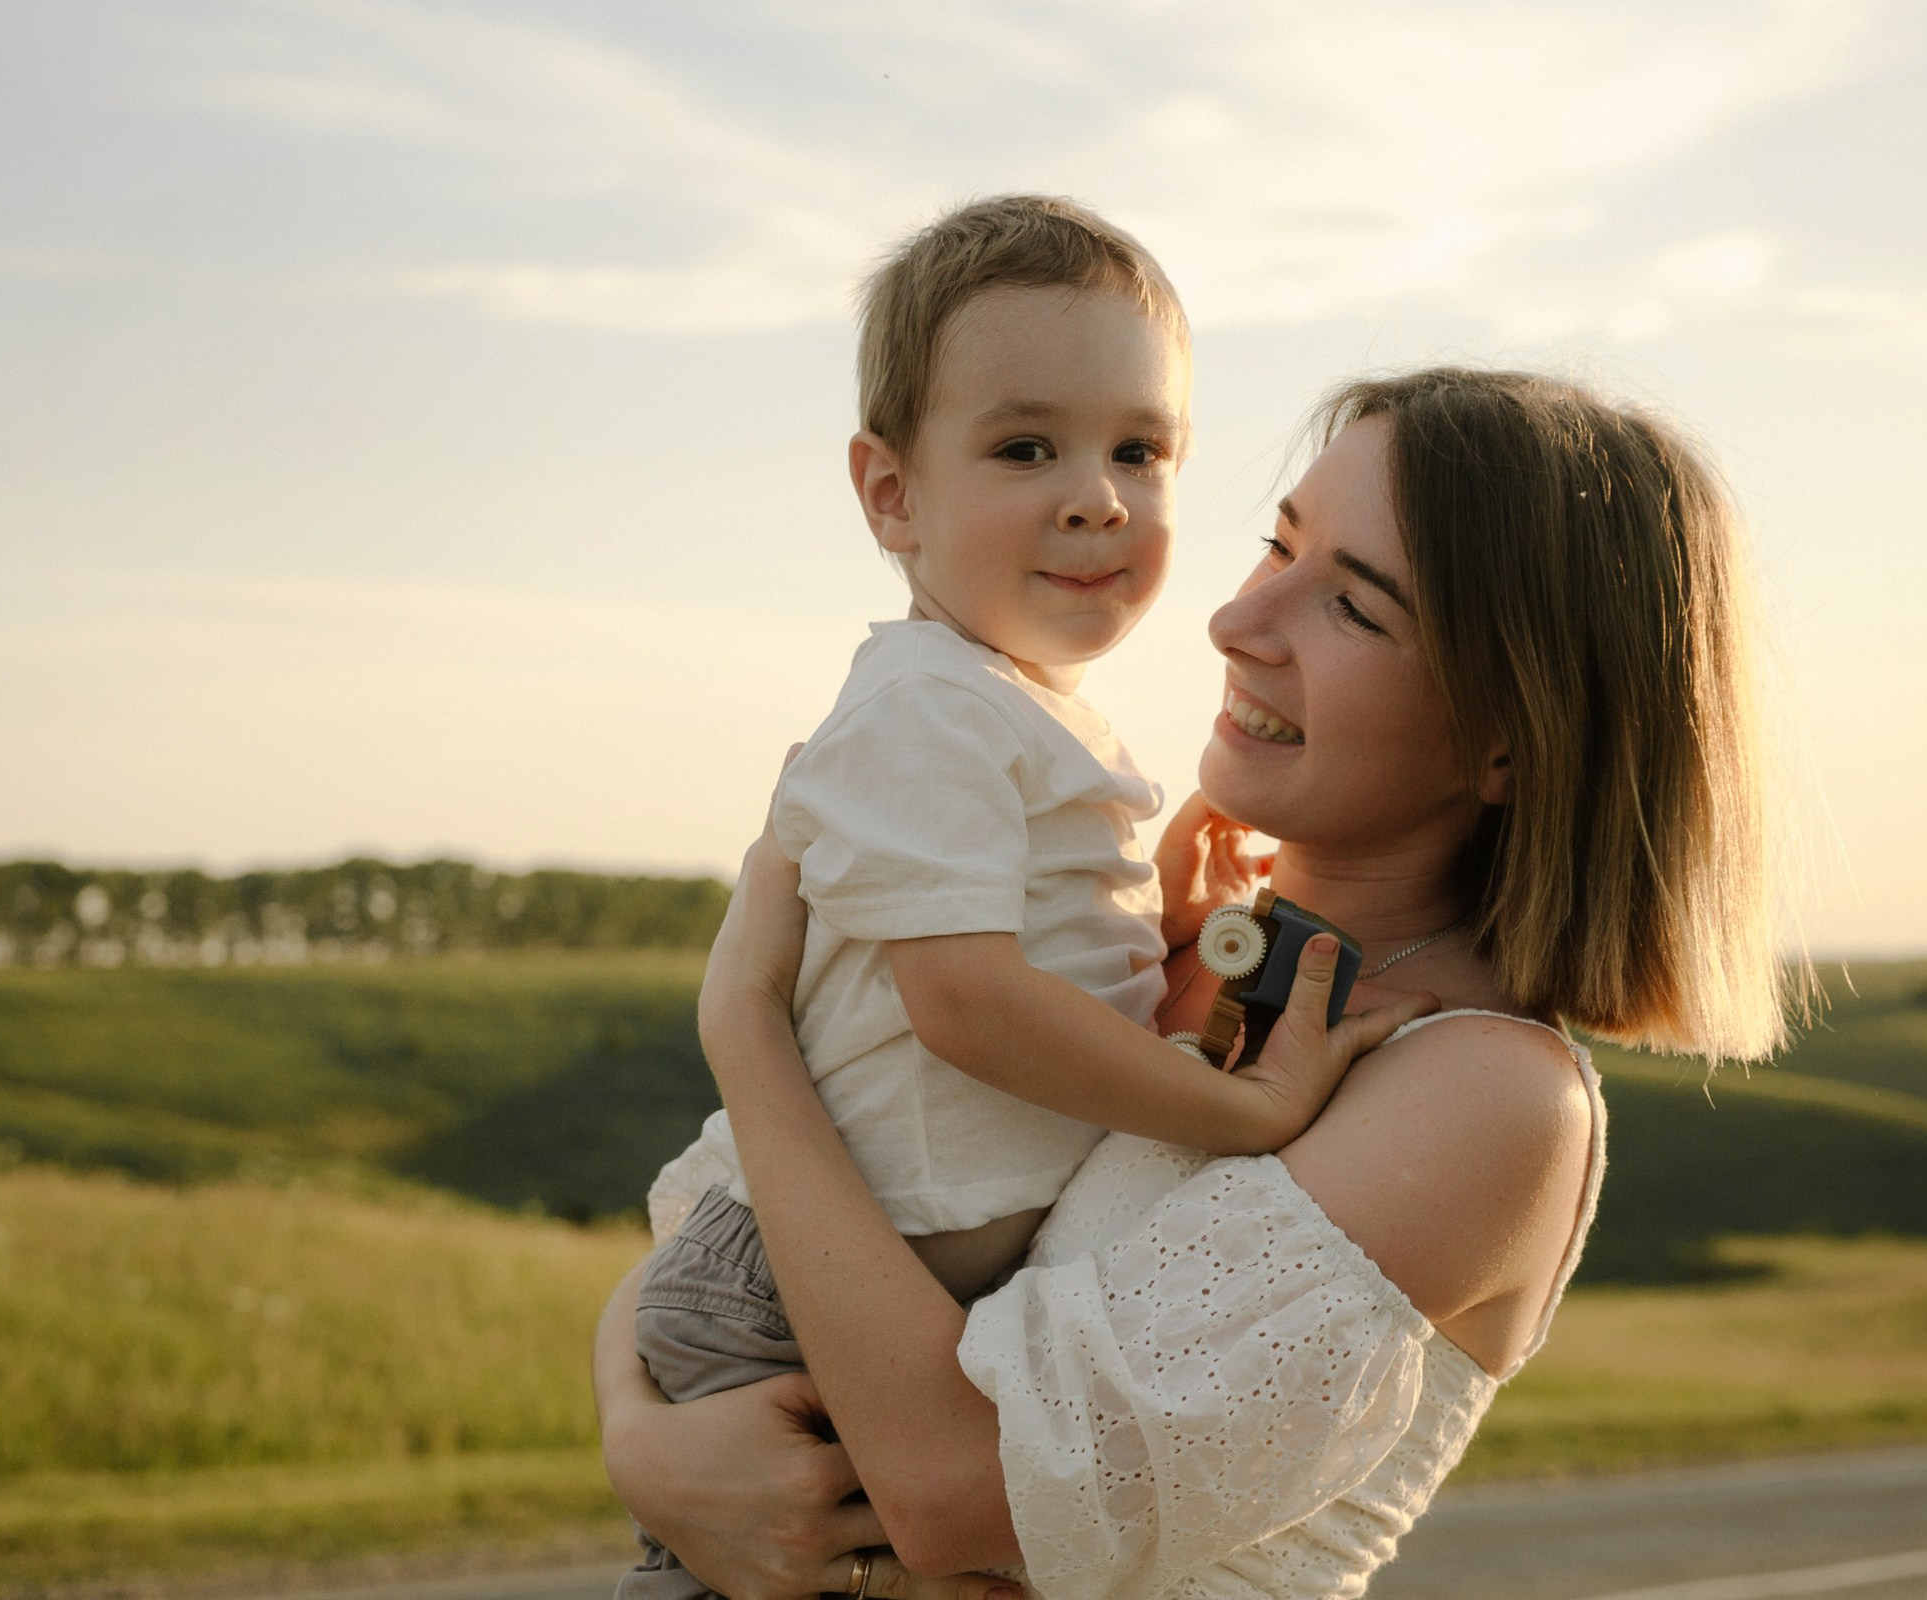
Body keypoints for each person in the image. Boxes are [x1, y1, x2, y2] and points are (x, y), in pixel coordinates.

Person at [598, 367, 1796, 1600]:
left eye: (1353, 608)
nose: (1239, 621)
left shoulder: (1490, 1094)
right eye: (1277, 545)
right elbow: (722, 1230)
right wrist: (645, 1444)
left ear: (1512, 736)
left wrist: (745, 1028)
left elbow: (955, 1482)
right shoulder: (1149, 949)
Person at [624, 195, 1423, 1600]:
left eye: (1141, 450)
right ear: (891, 495)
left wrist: (1152, 920)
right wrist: (1241, 1108)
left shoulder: (1022, 717)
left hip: (888, 1277)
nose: (1094, 494)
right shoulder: (924, 710)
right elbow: (966, 1001)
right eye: (1024, 447)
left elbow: (1023, 975)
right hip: (794, 1292)